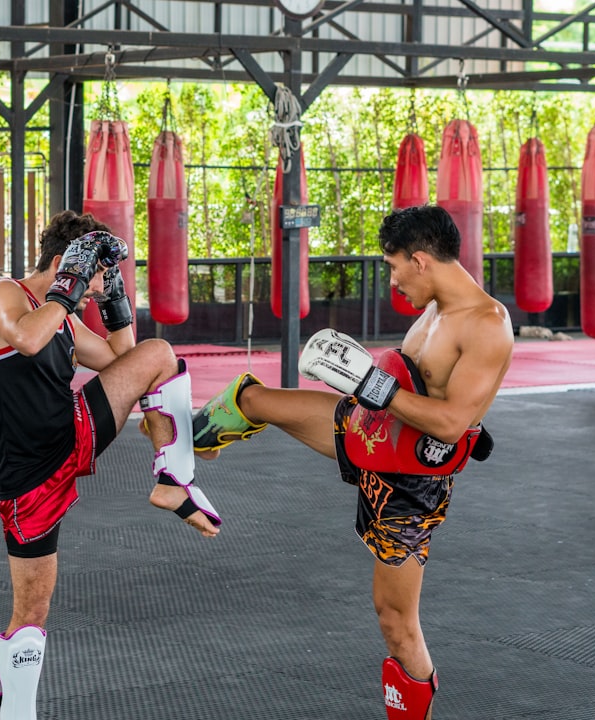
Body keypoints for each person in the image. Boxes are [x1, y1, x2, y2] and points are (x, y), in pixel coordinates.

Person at [192, 204, 513, 720]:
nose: (394, 281)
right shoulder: (433, 310)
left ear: (421, 260)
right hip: (371, 431)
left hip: (410, 485)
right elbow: (404, 384)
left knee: (395, 621)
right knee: (253, 400)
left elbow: (452, 423)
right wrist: (371, 386)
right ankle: (175, 456)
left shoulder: (486, 325)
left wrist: (373, 385)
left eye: (394, 267)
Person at [0, 210, 221, 720]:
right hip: (26, 479)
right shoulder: (3, 296)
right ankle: (16, 707)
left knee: (158, 355)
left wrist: (116, 303)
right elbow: (27, 339)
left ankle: (174, 479)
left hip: (70, 435)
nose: (90, 294)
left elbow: (123, 361)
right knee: (33, 609)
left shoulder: (68, 314)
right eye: (92, 280)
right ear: (65, 265)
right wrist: (68, 289)